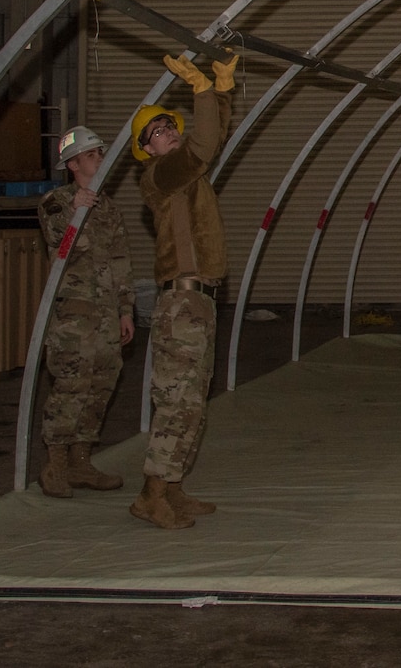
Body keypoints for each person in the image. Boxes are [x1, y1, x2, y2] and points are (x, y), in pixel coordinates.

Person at [128, 51, 238, 529]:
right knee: (177, 400)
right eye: (156, 134)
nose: (167, 134)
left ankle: (172, 488)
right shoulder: (161, 176)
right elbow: (205, 144)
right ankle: (151, 495)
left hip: (200, 302)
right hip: (183, 302)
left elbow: (216, 138)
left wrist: (223, 90)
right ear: (145, 150)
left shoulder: (187, 174)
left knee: (192, 400)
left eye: (168, 126)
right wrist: (201, 90)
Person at [35, 125, 136, 498]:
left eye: (99, 153)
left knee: (101, 384)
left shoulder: (107, 208)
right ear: (73, 164)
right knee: (71, 385)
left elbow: (121, 258)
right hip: (74, 316)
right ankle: (56, 465)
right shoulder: (55, 202)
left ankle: (81, 460)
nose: (99, 159)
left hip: (107, 315)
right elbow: (55, 233)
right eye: (92, 155)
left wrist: (126, 309)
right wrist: (73, 209)